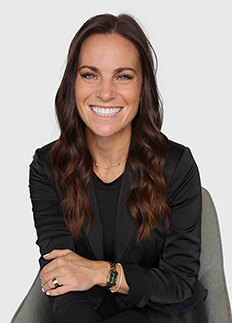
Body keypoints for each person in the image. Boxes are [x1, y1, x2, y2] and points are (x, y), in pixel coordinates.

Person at [29, 13, 208, 323]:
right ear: (72, 82)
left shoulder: (177, 166)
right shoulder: (48, 167)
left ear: (142, 87)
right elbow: (62, 274)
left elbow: (178, 282)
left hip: (163, 314)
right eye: (90, 74)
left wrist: (101, 273)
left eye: (123, 76)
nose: (106, 92)